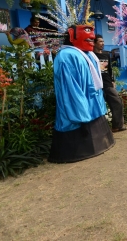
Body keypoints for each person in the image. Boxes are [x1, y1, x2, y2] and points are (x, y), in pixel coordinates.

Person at [48, 24, 114, 163]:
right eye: (87, 35)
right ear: (72, 35)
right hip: (77, 114)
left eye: (92, 37)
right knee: (74, 103)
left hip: (91, 104)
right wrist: (80, 114)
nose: (92, 38)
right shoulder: (67, 56)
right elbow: (71, 90)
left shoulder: (87, 54)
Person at [94, 34, 126, 133]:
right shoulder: (91, 55)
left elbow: (109, 69)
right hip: (97, 85)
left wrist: (112, 81)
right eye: (100, 41)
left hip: (107, 83)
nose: (102, 43)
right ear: (94, 43)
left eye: (103, 41)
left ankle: (117, 126)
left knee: (117, 102)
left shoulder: (106, 54)